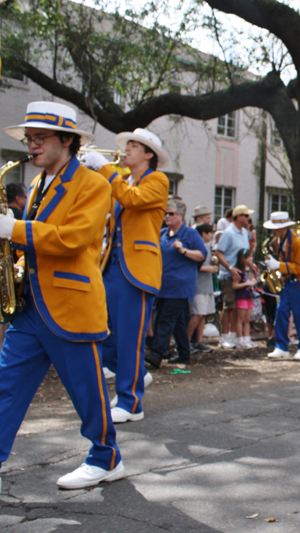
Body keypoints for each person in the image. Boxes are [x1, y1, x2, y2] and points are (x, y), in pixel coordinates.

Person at [0, 101, 124, 489]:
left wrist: (11, 229)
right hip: (30, 303)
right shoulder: (38, 184)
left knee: (86, 390)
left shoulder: (94, 183)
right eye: (29, 139)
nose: (32, 145)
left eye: (39, 138)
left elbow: (73, 240)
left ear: (66, 140)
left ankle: (106, 458)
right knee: (6, 383)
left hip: (71, 303)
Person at [83, 128, 169, 424]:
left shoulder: (157, 179)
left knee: (129, 338)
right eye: (128, 145)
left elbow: (131, 199)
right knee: (108, 334)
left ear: (149, 155)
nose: (127, 149)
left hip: (137, 269)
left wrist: (104, 168)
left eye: (134, 146)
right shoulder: (123, 180)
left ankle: (131, 402)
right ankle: (136, 377)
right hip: (112, 266)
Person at [150, 200, 207, 365]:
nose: (166, 216)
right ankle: (184, 352)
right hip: (163, 285)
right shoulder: (162, 233)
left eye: (171, 213)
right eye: (166, 213)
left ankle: (156, 354)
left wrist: (184, 250)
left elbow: (202, 255)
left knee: (164, 319)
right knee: (178, 321)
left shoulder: (190, 234)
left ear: (181, 216)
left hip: (180, 285)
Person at [263, 211, 300, 359]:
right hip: (289, 281)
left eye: (275, 227)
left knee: (299, 314)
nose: (273, 230)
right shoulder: (278, 239)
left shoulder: (299, 241)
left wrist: (278, 265)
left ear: (284, 227)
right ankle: (281, 346)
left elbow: (299, 267)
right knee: (281, 311)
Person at [213, 205, 253, 349]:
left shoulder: (243, 232)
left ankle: (235, 336)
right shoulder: (228, 233)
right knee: (229, 306)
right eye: (246, 215)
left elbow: (244, 253)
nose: (248, 218)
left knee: (236, 307)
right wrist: (230, 268)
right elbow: (218, 252)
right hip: (229, 275)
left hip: (240, 274)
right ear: (239, 217)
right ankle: (223, 338)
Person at [187, 223, 217, 354]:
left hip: (207, 285)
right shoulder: (196, 246)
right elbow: (192, 265)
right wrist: (208, 268)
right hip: (198, 285)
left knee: (203, 314)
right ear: (203, 233)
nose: (211, 235)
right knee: (197, 313)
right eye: (210, 233)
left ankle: (198, 341)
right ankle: (185, 342)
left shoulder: (208, 247)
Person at [231, 248, 258, 349]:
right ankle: (240, 340)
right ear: (244, 258)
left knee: (247, 319)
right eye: (250, 256)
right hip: (241, 297)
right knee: (240, 319)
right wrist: (247, 283)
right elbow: (234, 286)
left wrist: (253, 282)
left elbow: (252, 280)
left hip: (249, 297)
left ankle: (247, 339)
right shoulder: (238, 271)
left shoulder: (250, 270)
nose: (252, 258)